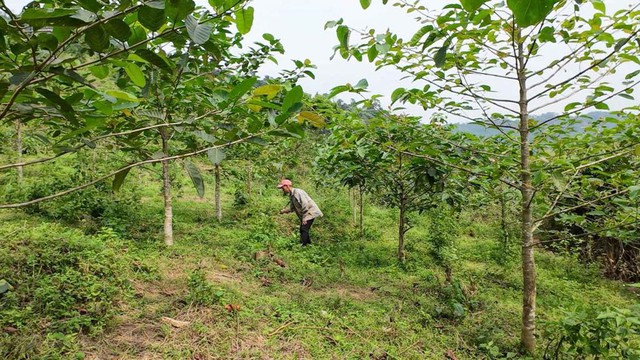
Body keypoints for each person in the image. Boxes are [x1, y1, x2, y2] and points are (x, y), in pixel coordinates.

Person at [277, 179, 323, 246]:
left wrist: (305, 217)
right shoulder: (292, 195)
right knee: (304, 228)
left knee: (303, 228)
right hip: (307, 213)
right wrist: (284, 211)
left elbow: (305, 204)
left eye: (282, 188)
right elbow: (292, 208)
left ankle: (303, 245)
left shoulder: (298, 192)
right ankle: (308, 244)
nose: (282, 190)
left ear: (287, 186)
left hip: (310, 212)